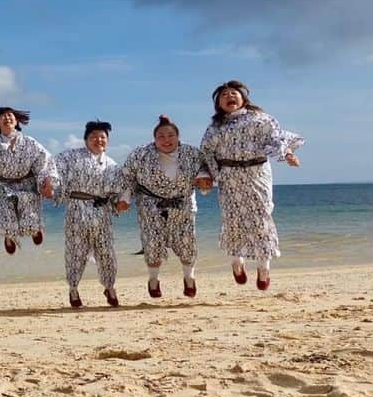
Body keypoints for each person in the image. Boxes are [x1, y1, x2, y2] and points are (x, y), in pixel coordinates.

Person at [199, 80, 303, 291]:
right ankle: (237, 262)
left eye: (233, 93)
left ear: (243, 97)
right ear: (218, 103)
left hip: (257, 174)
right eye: (224, 95)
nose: (229, 96)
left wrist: (288, 154)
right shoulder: (215, 128)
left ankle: (264, 268)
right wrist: (206, 175)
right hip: (229, 176)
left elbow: (275, 139)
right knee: (232, 219)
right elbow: (206, 154)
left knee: (261, 218)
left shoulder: (260, 119)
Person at [122, 115, 210, 299]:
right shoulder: (140, 154)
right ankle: (153, 280)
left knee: (187, 244)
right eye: (161, 136)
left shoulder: (192, 153)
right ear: (154, 139)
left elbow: (205, 169)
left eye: (171, 135)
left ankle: (189, 278)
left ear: (178, 136)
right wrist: (125, 198)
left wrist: (203, 179)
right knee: (152, 245)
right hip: (150, 206)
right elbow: (127, 176)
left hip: (182, 204)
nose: (166, 140)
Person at [55, 121, 129, 308]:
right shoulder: (70, 157)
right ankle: (73, 289)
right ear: (86, 139)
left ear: (108, 140)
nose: (99, 140)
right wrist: (49, 187)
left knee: (106, 252)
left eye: (102, 137)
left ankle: (110, 287)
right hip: (77, 209)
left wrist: (121, 202)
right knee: (75, 252)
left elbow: (120, 190)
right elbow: (53, 173)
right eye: (94, 136)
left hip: (102, 212)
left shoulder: (112, 165)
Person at [0, 107, 56, 254]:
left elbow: (45, 161)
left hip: (27, 185)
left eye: (10, 115)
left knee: (30, 224)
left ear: (16, 120)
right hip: (2, 186)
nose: (7, 118)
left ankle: (34, 229)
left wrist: (48, 183)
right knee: (6, 222)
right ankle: (9, 236)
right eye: (3, 116)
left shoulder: (29, 142)